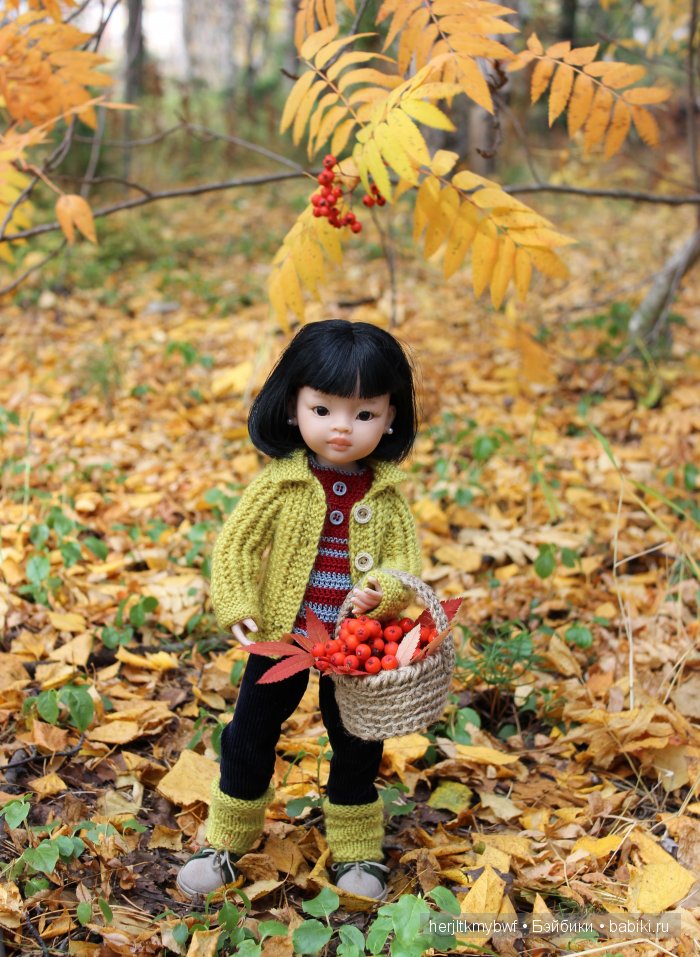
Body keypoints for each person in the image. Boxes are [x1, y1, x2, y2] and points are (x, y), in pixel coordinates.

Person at [177, 319, 422, 901]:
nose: (343, 428)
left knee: (357, 738)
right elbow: (237, 544)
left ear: (390, 419)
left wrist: (381, 594)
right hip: (281, 635)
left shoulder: (385, 496)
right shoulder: (281, 484)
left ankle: (357, 847)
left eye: (365, 414)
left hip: (354, 646)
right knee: (251, 728)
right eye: (325, 410)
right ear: (293, 408)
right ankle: (227, 839)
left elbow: (402, 564)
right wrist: (238, 602)